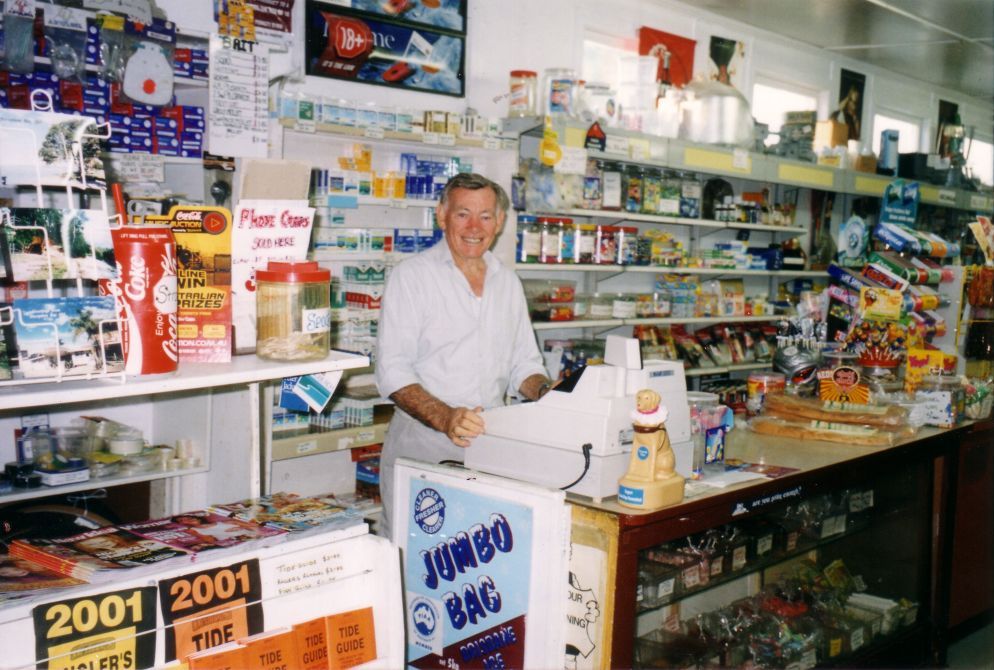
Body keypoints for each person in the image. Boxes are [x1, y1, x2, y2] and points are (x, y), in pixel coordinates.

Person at [375, 173, 553, 538]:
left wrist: (550, 394)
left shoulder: (508, 282)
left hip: (490, 446)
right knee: (414, 560)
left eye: (485, 216)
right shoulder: (411, 277)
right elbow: (392, 372)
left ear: (499, 222)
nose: (475, 227)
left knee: (474, 561)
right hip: (423, 448)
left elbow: (525, 365)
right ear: (442, 216)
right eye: (462, 215)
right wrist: (446, 417)